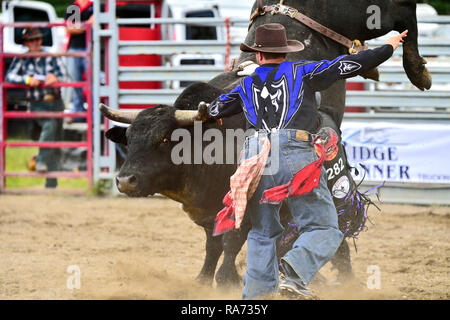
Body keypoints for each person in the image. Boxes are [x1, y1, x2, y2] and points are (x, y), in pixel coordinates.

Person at [206, 23, 408, 299]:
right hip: (294, 150)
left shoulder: (245, 85)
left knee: (262, 231)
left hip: (254, 156)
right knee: (323, 226)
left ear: (258, 55)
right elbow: (349, 64)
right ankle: (294, 272)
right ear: (285, 53)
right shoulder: (303, 71)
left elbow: (214, 109)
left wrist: (216, 104)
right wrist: (389, 47)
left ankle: (255, 297)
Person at [6, 28, 67, 188]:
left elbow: (64, 74)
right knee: (50, 125)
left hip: (55, 101)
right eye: (32, 40)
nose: (35, 43)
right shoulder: (21, 59)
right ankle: (40, 161)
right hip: (37, 103)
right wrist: (27, 80)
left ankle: (51, 184)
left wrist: (56, 78)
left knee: (56, 141)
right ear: (26, 43)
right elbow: (9, 76)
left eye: (38, 40)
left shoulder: (51, 56)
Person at [64, 0, 93, 120]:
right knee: (76, 82)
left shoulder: (93, 6)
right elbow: (69, 28)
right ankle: (78, 112)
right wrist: (87, 24)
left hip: (90, 49)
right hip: (75, 48)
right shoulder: (74, 7)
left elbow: (74, 26)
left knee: (92, 82)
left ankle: (93, 113)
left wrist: (78, 26)